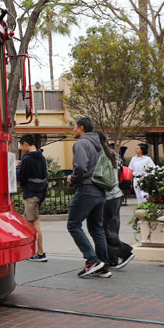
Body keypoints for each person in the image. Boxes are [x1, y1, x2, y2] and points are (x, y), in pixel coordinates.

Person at [66, 117, 110, 277]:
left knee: (73, 225)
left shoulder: (81, 144)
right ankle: (103, 265)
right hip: (100, 189)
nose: (73, 130)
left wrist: (73, 178)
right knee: (97, 228)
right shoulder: (99, 144)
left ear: (81, 128)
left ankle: (92, 260)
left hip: (86, 188)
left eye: (74, 127)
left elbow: (80, 167)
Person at [97, 131, 135, 269]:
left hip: (108, 195)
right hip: (117, 194)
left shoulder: (102, 156)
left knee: (103, 229)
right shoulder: (114, 154)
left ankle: (124, 252)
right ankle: (112, 260)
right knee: (112, 228)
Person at [16, 134, 48, 262]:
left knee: (35, 223)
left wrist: (17, 167)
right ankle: (31, 250)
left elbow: (21, 176)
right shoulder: (41, 156)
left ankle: (40, 253)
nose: (21, 148)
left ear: (25, 144)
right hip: (40, 193)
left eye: (21, 145)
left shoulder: (27, 158)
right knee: (27, 221)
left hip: (30, 194)